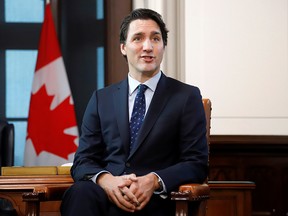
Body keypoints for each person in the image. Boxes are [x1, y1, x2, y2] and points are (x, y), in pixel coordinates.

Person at [61, 8, 208, 216]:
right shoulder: (101, 99)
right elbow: (83, 162)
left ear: (163, 47)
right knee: (80, 193)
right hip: (106, 196)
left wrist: (154, 180)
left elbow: (196, 163)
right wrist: (106, 180)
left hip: (156, 202)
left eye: (155, 39)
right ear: (123, 47)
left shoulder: (186, 97)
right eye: (138, 38)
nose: (147, 47)